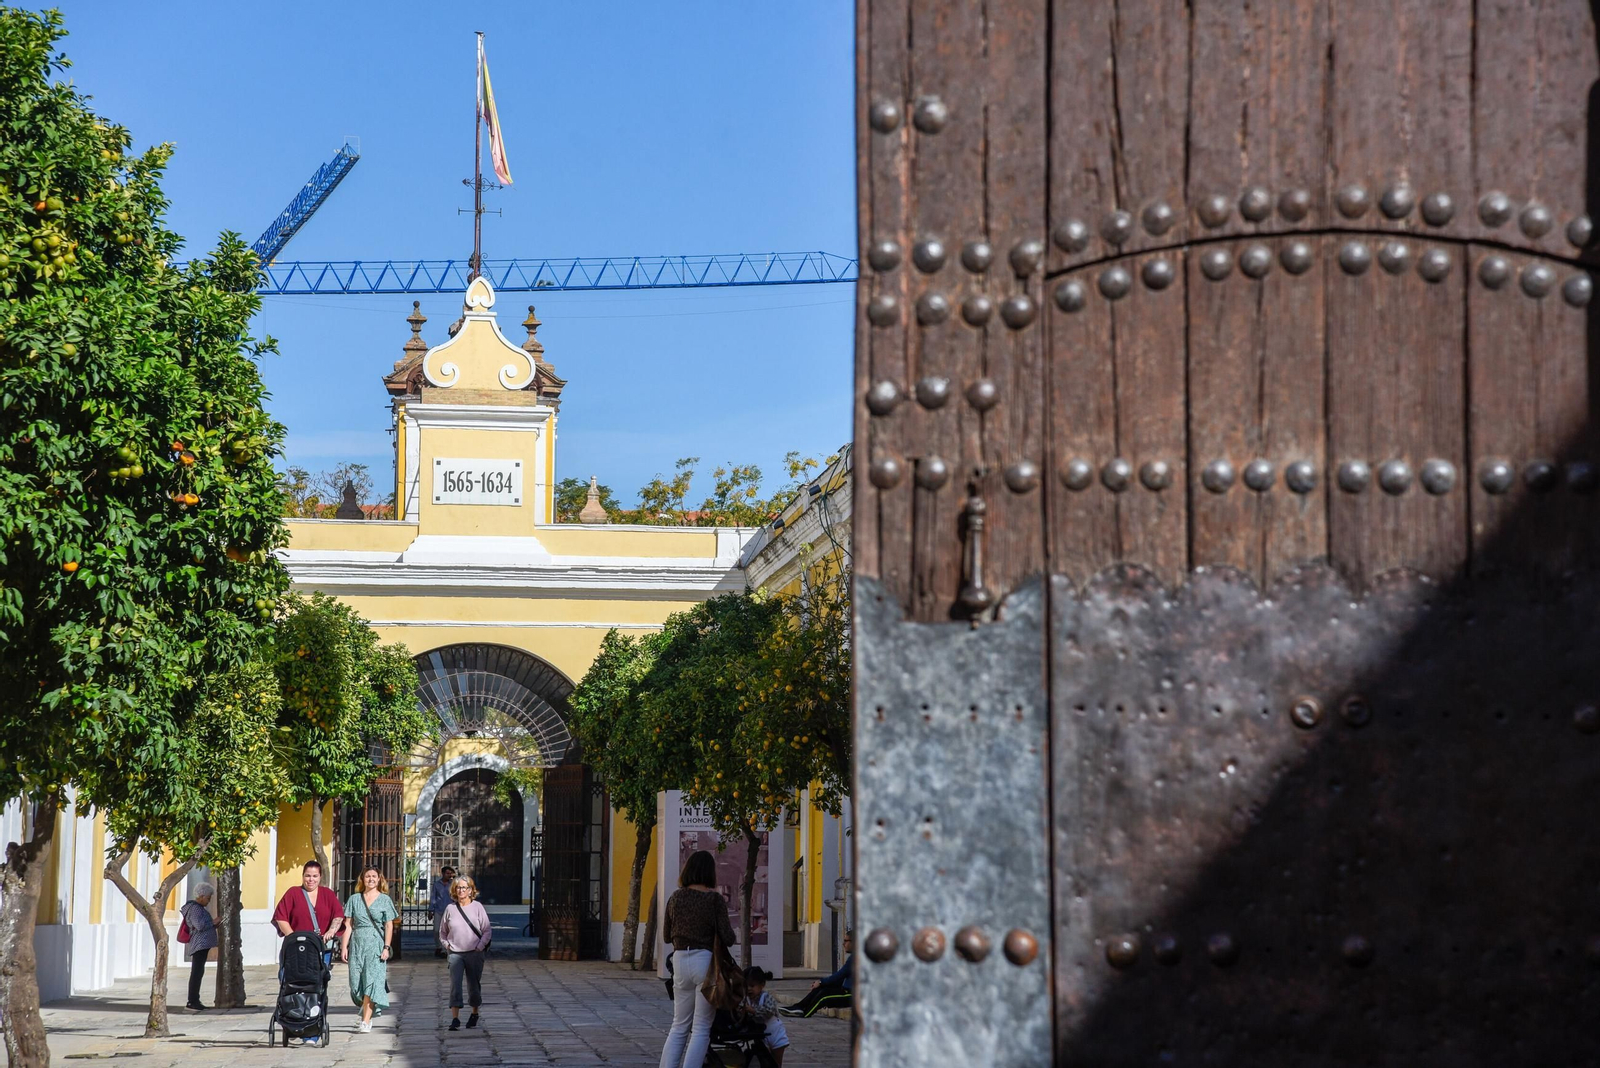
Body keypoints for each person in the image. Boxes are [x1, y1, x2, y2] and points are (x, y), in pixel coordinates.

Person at [659, 850, 736, 1068]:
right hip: (705, 964)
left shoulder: (676, 898)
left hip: (680, 961)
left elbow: (666, 935)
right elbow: (728, 938)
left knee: (679, 1025)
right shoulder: (714, 899)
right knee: (701, 1027)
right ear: (710, 872)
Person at [340, 866, 397, 1034]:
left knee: (372, 981)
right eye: (367, 876)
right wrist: (344, 946)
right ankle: (367, 1012)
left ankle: (365, 1020)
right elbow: (348, 925)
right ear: (362, 879)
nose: (371, 879)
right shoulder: (354, 899)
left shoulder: (385, 900)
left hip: (375, 945)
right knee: (356, 982)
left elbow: (388, 925)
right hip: (357, 944)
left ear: (379, 879)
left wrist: (386, 947)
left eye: (374, 876)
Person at [439, 875, 491, 1031]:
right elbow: (442, 931)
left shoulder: (477, 907)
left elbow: (487, 930)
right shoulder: (450, 909)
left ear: (470, 890)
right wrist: (447, 944)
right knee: (455, 984)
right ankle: (455, 1018)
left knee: (474, 986)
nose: (461, 890)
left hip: (474, 952)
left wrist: (480, 946)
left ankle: (474, 1012)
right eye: (458, 887)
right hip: (455, 953)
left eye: (464, 887)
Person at [780, 930, 853, 1018]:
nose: (843, 944)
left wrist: (822, 982)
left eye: (846, 941)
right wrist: (822, 983)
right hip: (845, 990)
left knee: (824, 997)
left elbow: (840, 975)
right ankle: (798, 1007)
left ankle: (805, 1013)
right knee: (821, 988)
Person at [271, 860, 346, 944]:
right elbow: (281, 918)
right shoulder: (293, 893)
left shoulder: (328, 894)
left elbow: (338, 915)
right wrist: (293, 938)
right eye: (308, 876)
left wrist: (331, 931)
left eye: (315, 876)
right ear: (303, 876)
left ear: (320, 877)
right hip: (297, 947)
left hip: (322, 946)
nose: (311, 879)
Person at [180, 883, 217, 1012]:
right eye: (208, 898)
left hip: (202, 944)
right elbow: (199, 925)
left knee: (198, 972)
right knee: (196, 972)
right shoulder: (195, 909)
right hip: (199, 944)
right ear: (201, 896)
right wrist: (213, 922)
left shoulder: (199, 908)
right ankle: (192, 1001)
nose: (209, 901)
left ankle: (195, 999)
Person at [742, 966, 788, 1066]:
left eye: (752, 986)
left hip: (775, 1033)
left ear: (762, 985)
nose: (749, 989)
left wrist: (753, 1010)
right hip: (760, 1035)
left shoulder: (766, 997)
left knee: (776, 1063)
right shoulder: (746, 999)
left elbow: (769, 1011)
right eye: (746, 986)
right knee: (764, 1059)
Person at [430, 865, 457, 958]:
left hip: (450, 910)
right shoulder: (437, 884)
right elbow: (433, 897)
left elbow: (455, 896)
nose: (449, 875)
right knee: (437, 930)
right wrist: (431, 910)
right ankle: (438, 946)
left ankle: (445, 949)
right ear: (443, 874)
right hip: (439, 909)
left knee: (448, 930)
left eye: (450, 873)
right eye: (447, 873)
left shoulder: (453, 884)